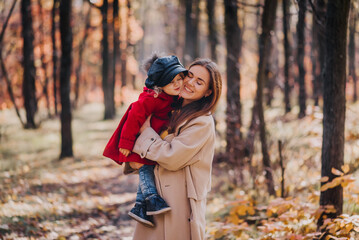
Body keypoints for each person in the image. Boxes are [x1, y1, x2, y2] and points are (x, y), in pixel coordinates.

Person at [131, 58, 222, 240]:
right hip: (157, 200)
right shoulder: (170, 108)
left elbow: (172, 157)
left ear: (208, 92)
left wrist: (146, 132)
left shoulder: (202, 121)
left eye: (199, 82)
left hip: (181, 204)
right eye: (189, 75)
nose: (189, 83)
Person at [103, 55, 188, 228]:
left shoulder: (173, 97)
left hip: (151, 139)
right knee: (145, 167)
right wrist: (126, 143)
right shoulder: (151, 98)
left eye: (179, 78)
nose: (178, 84)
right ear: (160, 85)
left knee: (148, 165)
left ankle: (140, 207)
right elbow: (134, 116)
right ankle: (151, 198)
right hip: (137, 141)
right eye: (171, 81)